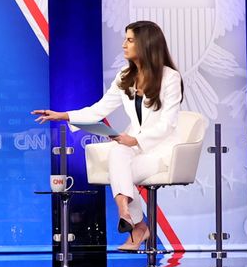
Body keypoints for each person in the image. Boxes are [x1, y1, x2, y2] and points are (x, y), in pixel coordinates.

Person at [31, 21, 183, 250]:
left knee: (118, 161)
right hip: (132, 151)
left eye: (130, 40)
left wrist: (136, 140)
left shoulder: (170, 77)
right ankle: (127, 214)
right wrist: (62, 115)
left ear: (146, 44)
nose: (124, 45)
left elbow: (168, 124)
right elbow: (98, 110)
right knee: (119, 152)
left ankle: (137, 224)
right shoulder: (125, 76)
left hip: (161, 151)